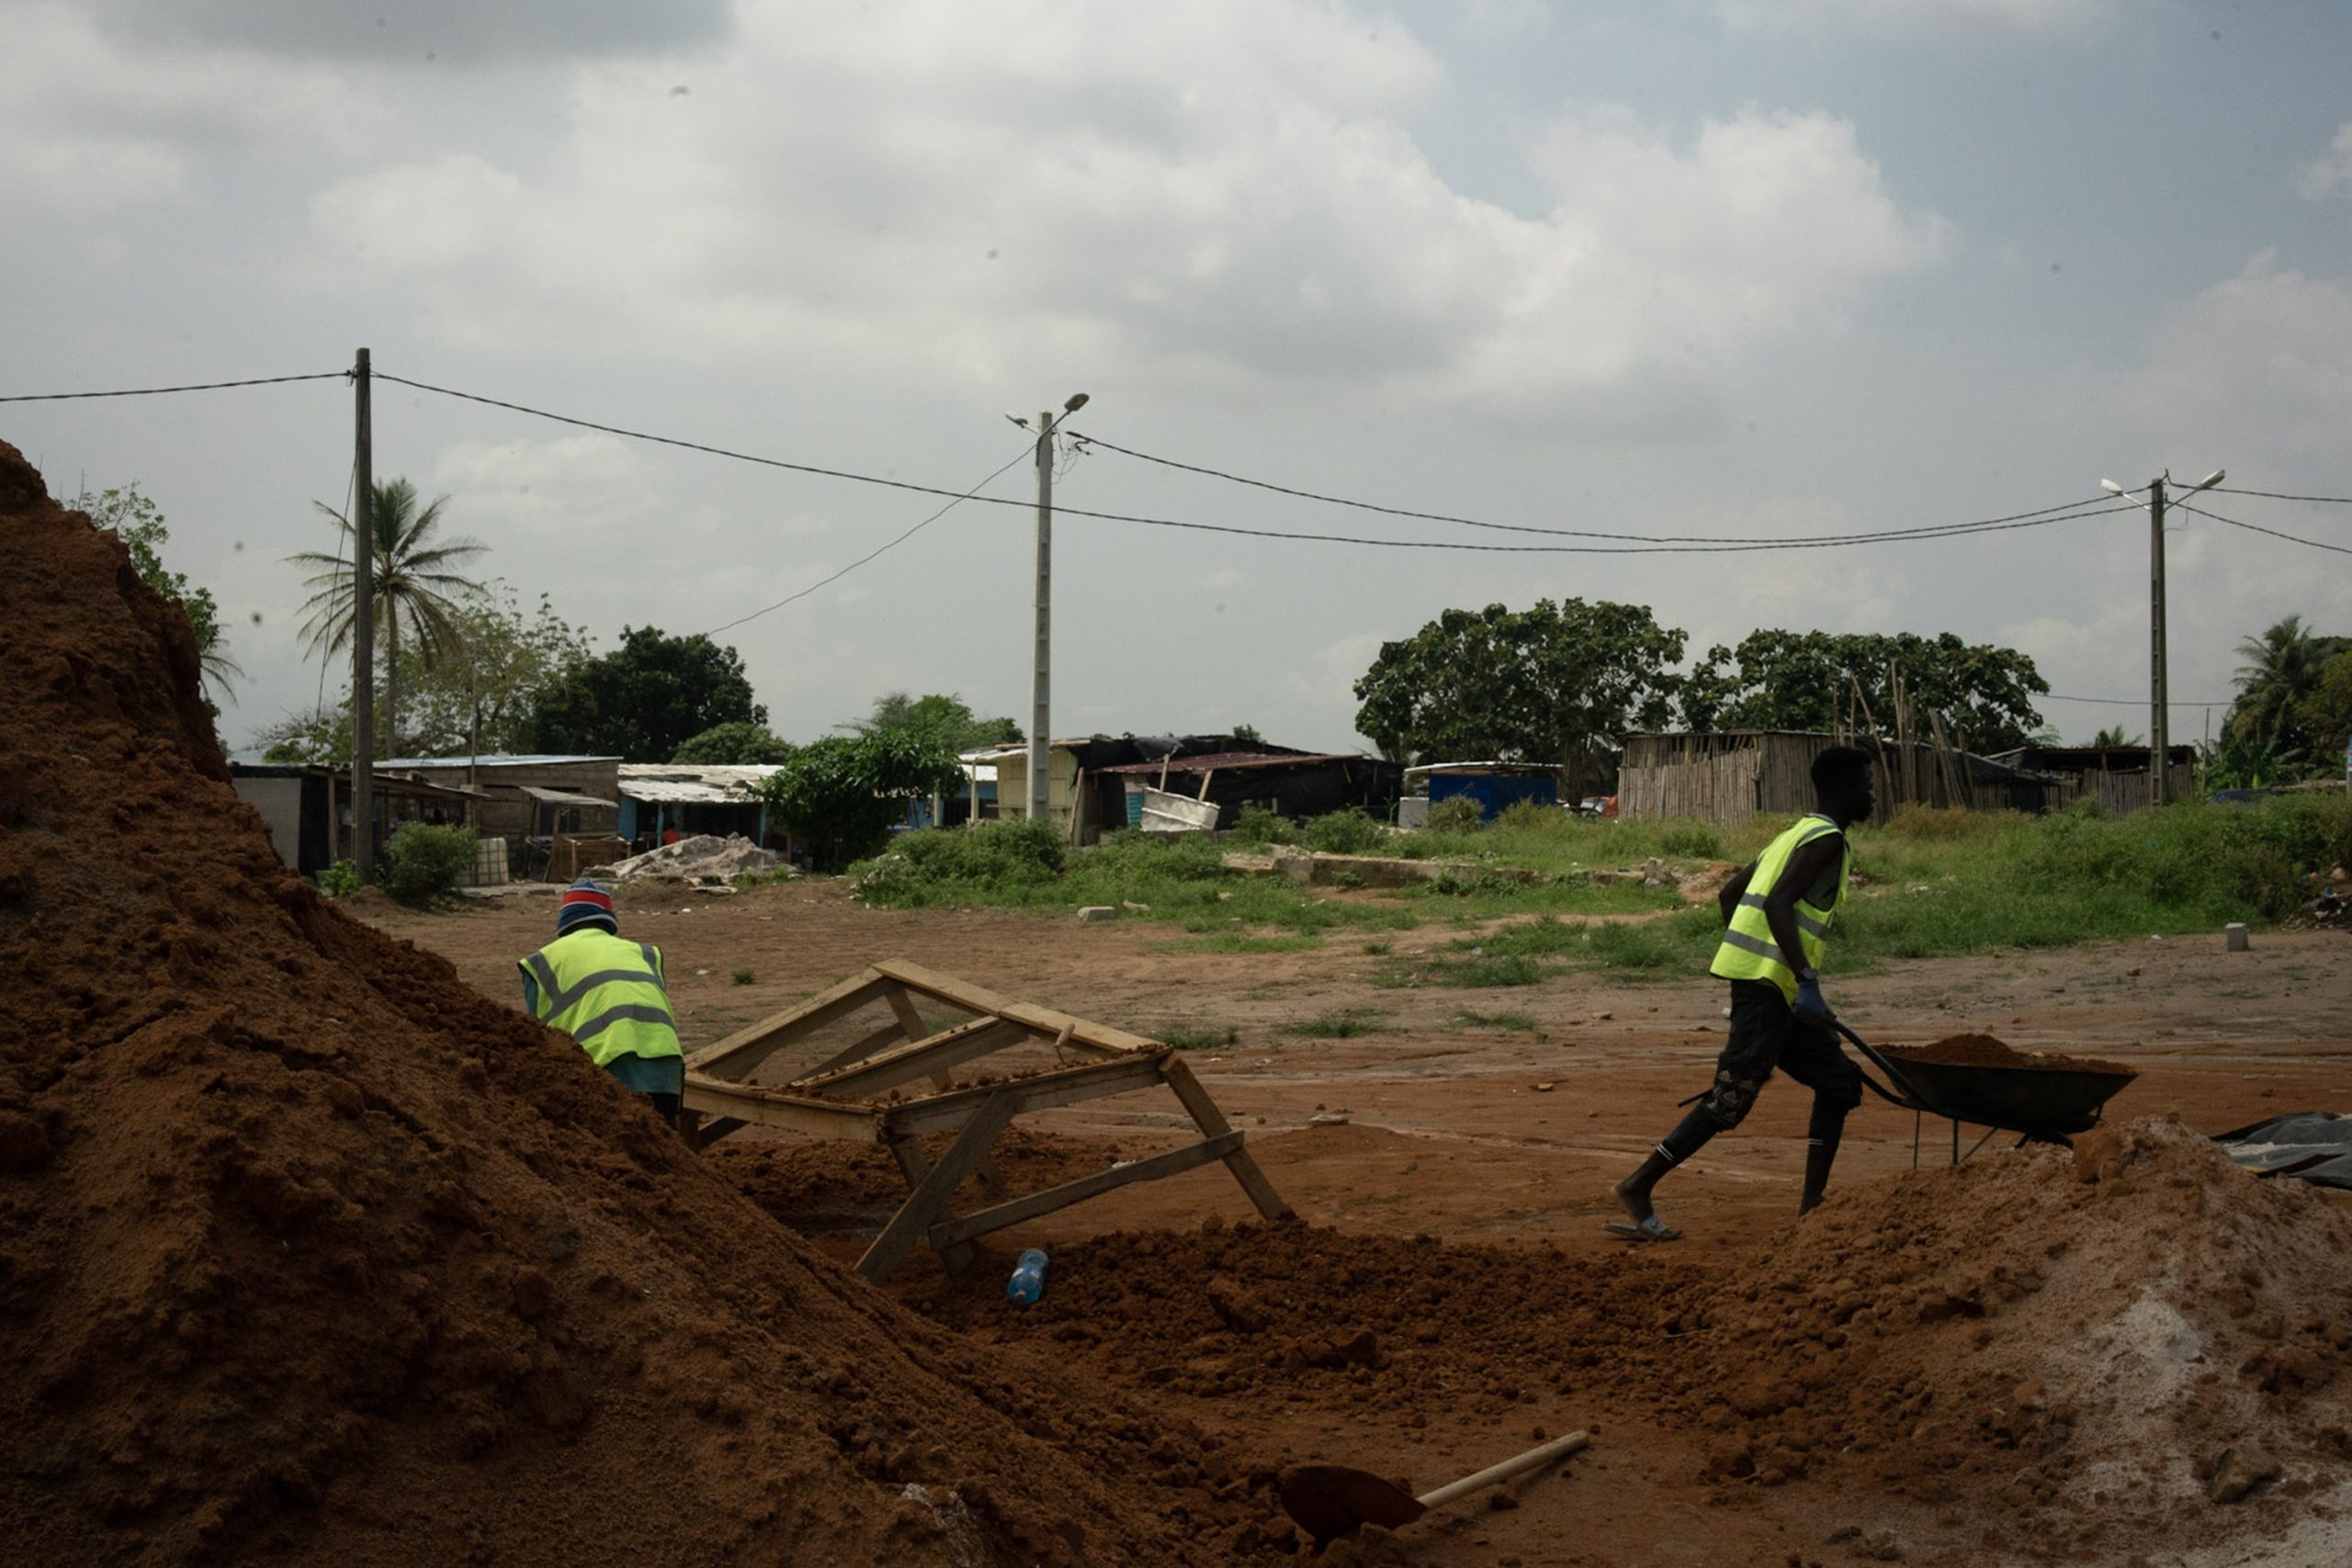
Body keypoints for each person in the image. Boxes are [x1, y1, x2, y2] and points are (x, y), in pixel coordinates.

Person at [1609, 745, 1877, 1240]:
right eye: (1866, 784)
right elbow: (1777, 902)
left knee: (1839, 1082)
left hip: (1776, 990)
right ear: (1844, 789)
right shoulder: (1827, 842)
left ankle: (1811, 1209)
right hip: (1769, 992)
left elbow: (1731, 895)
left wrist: (1765, 967)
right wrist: (1803, 979)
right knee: (1731, 1099)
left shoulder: (1795, 832)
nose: (1873, 794)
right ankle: (1638, 1185)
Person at [519, 879, 685, 1123]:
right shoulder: (646, 953)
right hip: (668, 1073)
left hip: (608, 1071)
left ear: (564, 921)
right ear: (609, 920)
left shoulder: (541, 962)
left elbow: (539, 1043)